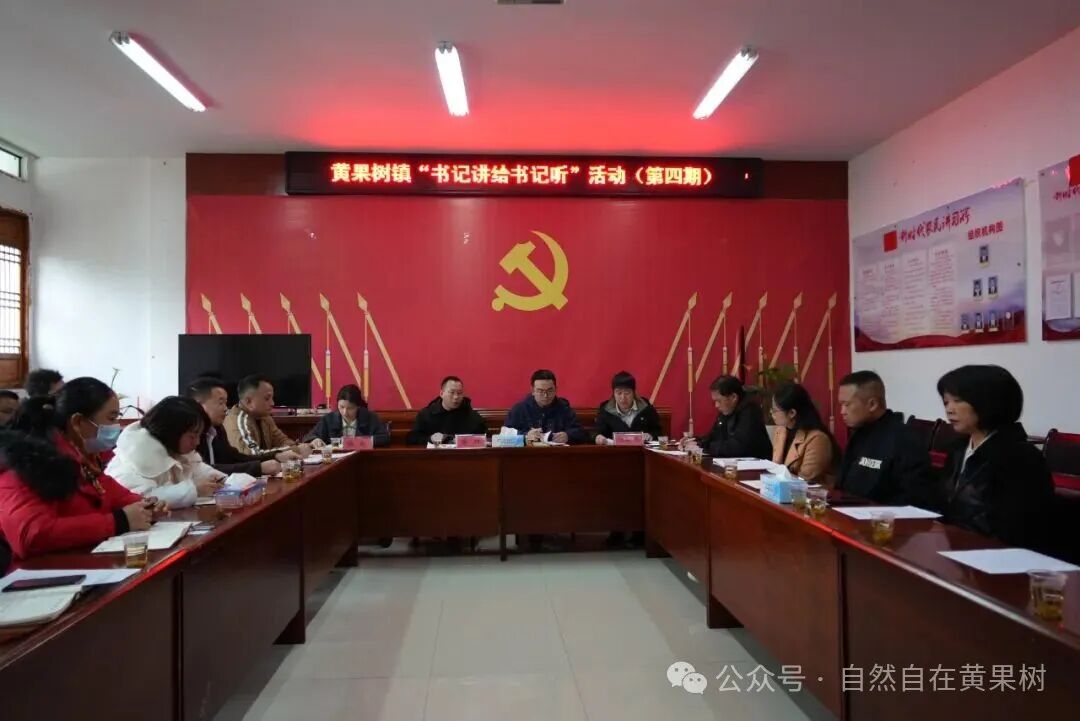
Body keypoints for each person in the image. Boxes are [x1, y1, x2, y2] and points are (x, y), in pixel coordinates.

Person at [0, 377, 164, 562]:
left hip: (84, 563)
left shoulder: (82, 460)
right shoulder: (25, 464)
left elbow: (113, 495)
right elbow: (31, 535)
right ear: (78, 422)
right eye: (111, 418)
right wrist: (119, 521)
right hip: (42, 572)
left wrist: (146, 506)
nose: (116, 427)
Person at [937, 365, 1054, 552]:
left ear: (988, 401)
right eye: (946, 402)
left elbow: (1019, 529)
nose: (949, 409)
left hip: (995, 557)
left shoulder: (1020, 457)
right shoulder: (958, 450)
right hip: (955, 549)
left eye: (957, 401)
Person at [106, 396, 226, 509]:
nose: (197, 442)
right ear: (171, 431)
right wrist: (194, 490)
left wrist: (222, 480)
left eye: (199, 435)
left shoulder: (176, 450)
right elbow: (142, 498)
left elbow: (200, 470)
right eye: (192, 436)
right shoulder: (134, 456)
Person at [836, 370, 935, 505]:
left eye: (847, 404)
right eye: (841, 405)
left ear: (872, 404)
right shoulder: (858, 434)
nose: (842, 412)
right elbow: (842, 487)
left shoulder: (904, 440)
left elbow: (915, 498)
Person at [185, 377, 286, 476]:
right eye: (220, 403)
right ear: (199, 405)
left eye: (226, 403)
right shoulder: (188, 434)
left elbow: (234, 457)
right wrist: (259, 468)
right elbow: (204, 470)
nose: (225, 408)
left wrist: (275, 456)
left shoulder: (217, 429)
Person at [683, 375, 771, 459]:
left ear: (733, 397)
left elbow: (738, 447)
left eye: (719, 401)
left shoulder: (750, 411)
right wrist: (694, 441)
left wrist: (706, 447)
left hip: (755, 466)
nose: (716, 405)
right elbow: (712, 436)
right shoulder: (727, 410)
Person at [224, 375, 313, 457]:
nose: (272, 403)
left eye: (272, 398)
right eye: (267, 398)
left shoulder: (265, 417)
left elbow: (282, 440)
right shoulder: (238, 421)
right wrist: (296, 450)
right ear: (249, 401)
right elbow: (252, 454)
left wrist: (294, 448)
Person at [769, 382, 840, 486]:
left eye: (775, 410)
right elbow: (775, 468)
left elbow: (805, 480)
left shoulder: (817, 439)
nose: (771, 413)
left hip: (808, 494)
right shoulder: (781, 431)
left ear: (792, 413)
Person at [504, 369, 587, 444]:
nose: (545, 395)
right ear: (533, 391)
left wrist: (568, 436)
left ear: (556, 390)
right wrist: (525, 436)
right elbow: (505, 435)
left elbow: (581, 433)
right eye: (540, 391)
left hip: (557, 453)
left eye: (550, 391)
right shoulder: (519, 409)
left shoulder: (564, 408)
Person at [406, 376, 487, 445]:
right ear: (441, 393)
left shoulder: (472, 416)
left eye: (459, 393)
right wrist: (430, 439)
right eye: (452, 392)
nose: (456, 397)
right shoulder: (426, 414)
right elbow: (412, 438)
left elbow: (485, 438)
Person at [305, 384, 390, 447]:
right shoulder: (329, 419)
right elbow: (309, 436)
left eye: (350, 408)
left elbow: (384, 438)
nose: (345, 412)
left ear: (358, 407)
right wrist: (315, 440)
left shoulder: (370, 418)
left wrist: (358, 442)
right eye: (341, 407)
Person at [593, 371, 662, 445]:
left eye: (627, 393)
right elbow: (598, 432)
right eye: (619, 393)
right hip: (616, 451)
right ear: (613, 394)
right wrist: (598, 437)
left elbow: (658, 431)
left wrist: (651, 435)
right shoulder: (605, 409)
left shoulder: (645, 407)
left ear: (634, 393)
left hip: (641, 450)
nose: (623, 398)